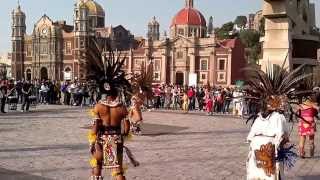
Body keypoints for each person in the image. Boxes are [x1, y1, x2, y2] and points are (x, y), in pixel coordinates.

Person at [245, 63, 311, 180]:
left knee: (257, 173)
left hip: (256, 147)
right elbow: (282, 136)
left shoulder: (259, 118)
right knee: (272, 174)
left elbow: (250, 136)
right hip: (270, 148)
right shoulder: (278, 117)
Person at [85, 38, 137, 180]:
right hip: (116, 139)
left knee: (97, 164)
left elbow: (95, 127)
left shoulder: (99, 107)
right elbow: (126, 128)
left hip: (102, 140)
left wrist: (91, 140)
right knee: (118, 169)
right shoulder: (122, 108)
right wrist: (121, 135)